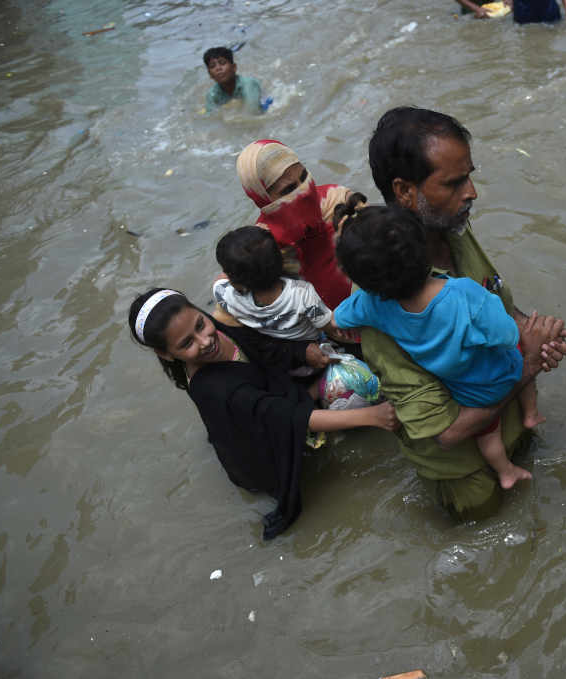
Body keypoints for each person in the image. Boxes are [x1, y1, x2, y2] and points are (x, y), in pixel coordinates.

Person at [360, 106, 566, 521]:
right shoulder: (384, 294)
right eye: (455, 182)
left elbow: (492, 296)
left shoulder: (450, 224)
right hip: (464, 467)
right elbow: (446, 433)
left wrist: (533, 333)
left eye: (469, 175)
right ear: (405, 191)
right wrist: (528, 362)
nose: (472, 191)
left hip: (510, 419)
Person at [129, 288, 399, 540]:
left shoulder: (218, 326)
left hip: (268, 401)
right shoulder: (221, 390)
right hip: (265, 424)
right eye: (187, 343)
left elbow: (259, 342)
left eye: (201, 324)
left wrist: (302, 351)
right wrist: (375, 416)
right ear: (166, 355)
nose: (206, 340)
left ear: (200, 312)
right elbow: (292, 418)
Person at [333, 203, 543, 490]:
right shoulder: (466, 294)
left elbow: (340, 316)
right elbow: (506, 334)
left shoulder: (374, 307)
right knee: (522, 352)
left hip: (463, 393)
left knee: (487, 432)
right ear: (424, 248)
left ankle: (506, 472)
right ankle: (530, 413)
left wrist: (343, 324)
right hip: (502, 375)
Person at [235, 140, 361, 312]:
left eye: (303, 177)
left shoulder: (337, 198)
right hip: (332, 332)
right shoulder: (263, 246)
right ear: (264, 199)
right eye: (289, 190)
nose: (305, 190)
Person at [212, 227, 359, 363]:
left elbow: (218, 282)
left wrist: (237, 271)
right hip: (311, 347)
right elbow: (327, 323)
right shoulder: (302, 292)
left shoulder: (228, 297)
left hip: (287, 361)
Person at [203, 47, 263, 114]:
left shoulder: (248, 84)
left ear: (234, 67)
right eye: (212, 66)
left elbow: (253, 111)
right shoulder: (213, 93)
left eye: (222, 63)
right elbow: (210, 118)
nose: (218, 68)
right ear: (210, 74)